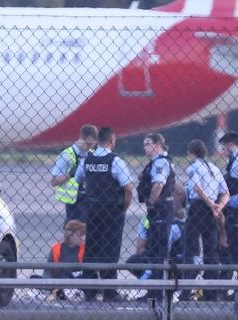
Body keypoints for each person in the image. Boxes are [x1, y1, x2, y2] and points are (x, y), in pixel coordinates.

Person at [72, 127, 134, 302]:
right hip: (112, 209)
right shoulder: (115, 161)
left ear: (98, 140)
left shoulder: (87, 160)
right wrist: (124, 207)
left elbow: (78, 180)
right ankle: (109, 290)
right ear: (112, 141)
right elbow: (128, 188)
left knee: (92, 246)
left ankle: (90, 289)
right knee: (111, 248)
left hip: (92, 208)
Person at [180, 139, 229, 301]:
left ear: (191, 153)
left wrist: (209, 203)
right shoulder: (214, 168)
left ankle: (186, 291)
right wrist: (218, 207)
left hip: (198, 209)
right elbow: (226, 193)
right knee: (211, 251)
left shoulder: (193, 168)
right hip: (212, 213)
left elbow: (196, 188)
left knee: (191, 249)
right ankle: (211, 292)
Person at [135, 133, 175, 303]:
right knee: (155, 248)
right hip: (159, 210)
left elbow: (158, 185)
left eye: (148, 143)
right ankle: (154, 290)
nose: (144, 147)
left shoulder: (160, 162)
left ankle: (158, 292)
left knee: (159, 250)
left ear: (158, 144)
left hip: (160, 209)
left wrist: (151, 202)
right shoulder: (157, 162)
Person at [218, 132, 238, 286]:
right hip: (234, 208)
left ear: (231, 145)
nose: (223, 152)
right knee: (232, 247)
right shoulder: (235, 158)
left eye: (224, 148)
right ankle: (232, 286)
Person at [50, 125, 99, 224]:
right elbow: (54, 181)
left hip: (90, 200)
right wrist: (70, 174)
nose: (88, 147)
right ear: (81, 138)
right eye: (87, 144)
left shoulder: (92, 154)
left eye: (92, 145)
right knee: (74, 232)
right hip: (74, 203)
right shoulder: (67, 155)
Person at [45, 220, 87, 300]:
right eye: (78, 235)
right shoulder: (56, 249)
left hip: (77, 282)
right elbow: (48, 271)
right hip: (59, 282)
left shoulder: (83, 249)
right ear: (71, 235)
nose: (82, 238)